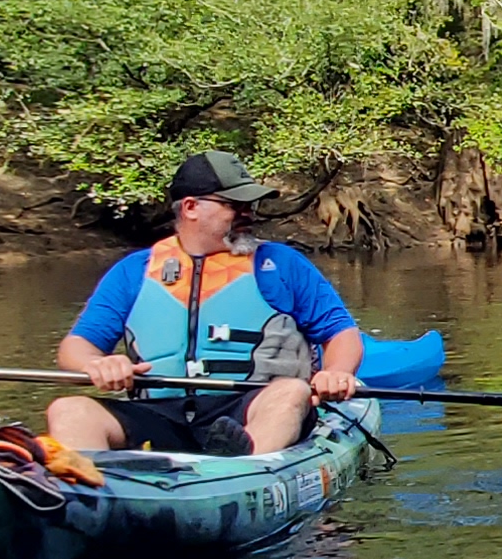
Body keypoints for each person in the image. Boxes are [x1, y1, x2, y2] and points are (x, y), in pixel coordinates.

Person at [48, 151, 364, 457]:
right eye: (234, 205)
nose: (248, 213)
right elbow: (75, 347)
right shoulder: (134, 272)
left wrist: (335, 372)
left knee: (292, 392)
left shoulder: (282, 265)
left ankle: (239, 470)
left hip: (249, 409)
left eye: (249, 204)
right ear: (190, 207)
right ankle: (88, 493)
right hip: (157, 414)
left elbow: (341, 334)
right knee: (69, 409)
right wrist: (96, 364)